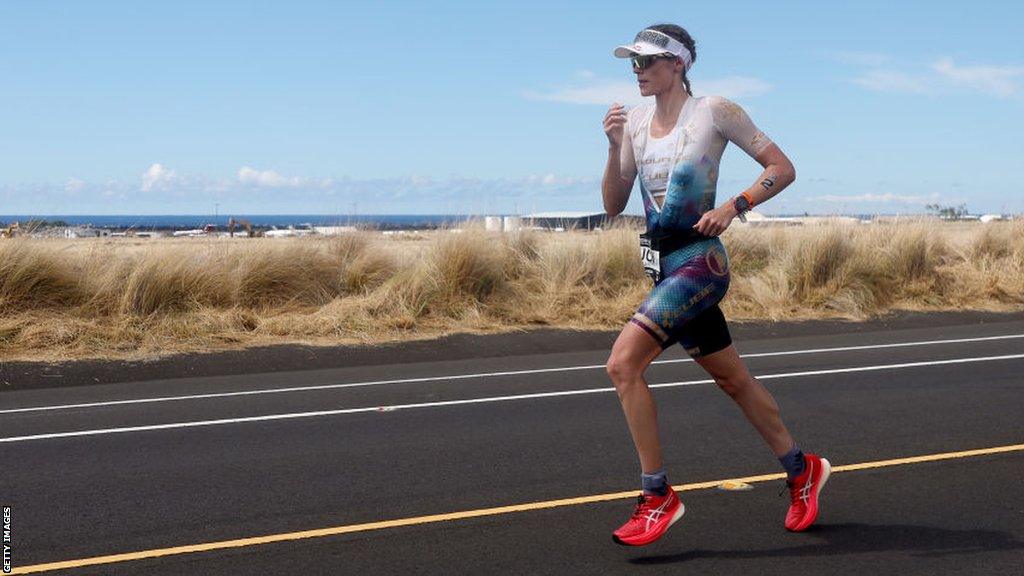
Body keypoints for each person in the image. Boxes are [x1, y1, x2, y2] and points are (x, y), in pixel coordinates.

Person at [601, 24, 830, 547]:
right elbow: (614, 204)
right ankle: (802, 470)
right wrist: (614, 147)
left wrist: (733, 206)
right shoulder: (634, 123)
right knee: (734, 381)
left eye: (648, 62)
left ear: (677, 63)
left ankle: (656, 496)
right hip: (661, 264)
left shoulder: (714, 111)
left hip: (700, 264)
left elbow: (782, 167)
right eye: (632, 63)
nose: (638, 71)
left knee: (622, 364)